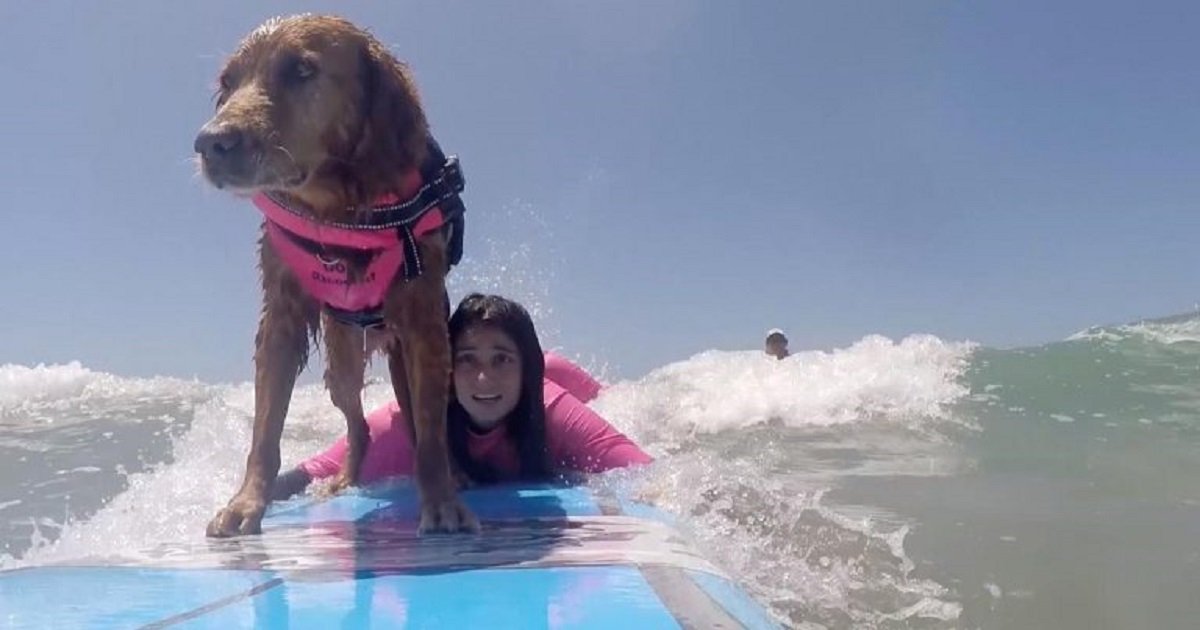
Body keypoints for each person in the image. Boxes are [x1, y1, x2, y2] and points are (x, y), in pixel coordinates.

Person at [272, 293, 651, 500]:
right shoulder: (406, 427)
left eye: (501, 360)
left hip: (549, 373)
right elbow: (314, 473)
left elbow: (642, 471)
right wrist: (255, 495)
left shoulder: (552, 407)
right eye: (467, 361)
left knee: (560, 372)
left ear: (525, 370)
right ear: (447, 371)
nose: (484, 379)